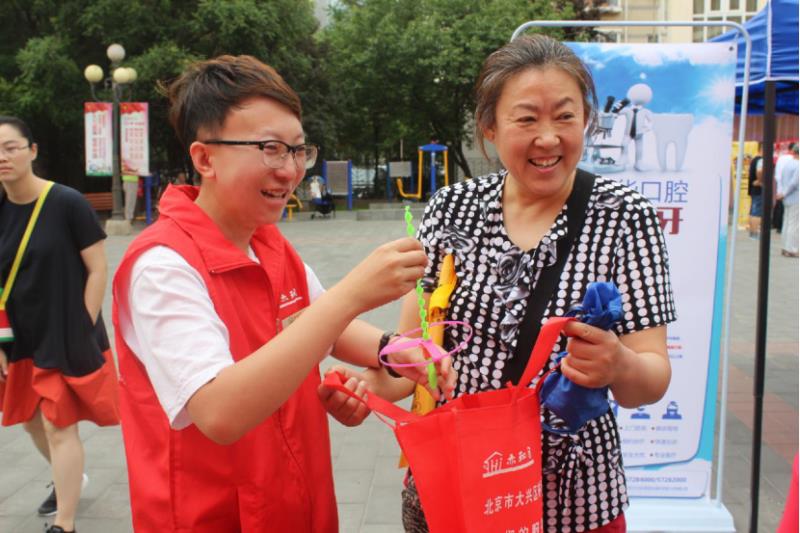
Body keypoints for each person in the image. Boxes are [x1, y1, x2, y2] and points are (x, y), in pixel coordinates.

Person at [322, 35, 676, 533]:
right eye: (526, 119)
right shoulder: (452, 209)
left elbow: (651, 381)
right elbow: (417, 361)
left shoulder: (625, 216)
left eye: (565, 116)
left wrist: (618, 363)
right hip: (458, 488)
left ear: (586, 120)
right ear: (490, 127)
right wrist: (366, 389)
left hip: (572, 503)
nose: (548, 138)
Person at [111, 55, 446, 532]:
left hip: (294, 500)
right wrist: (352, 293)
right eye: (270, 149)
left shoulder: (267, 241)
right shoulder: (162, 267)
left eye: (297, 150)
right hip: (213, 516)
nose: (289, 170)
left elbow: (325, 323)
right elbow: (220, 411)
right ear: (205, 158)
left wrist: (396, 351)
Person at [0, 116, 120, 533]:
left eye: (11, 147)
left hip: (64, 330)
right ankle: (69, 475)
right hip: (18, 336)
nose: (3, 157)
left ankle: (64, 524)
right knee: (30, 420)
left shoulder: (67, 203)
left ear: (32, 151)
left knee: (57, 423)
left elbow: (98, 269)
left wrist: (82, 326)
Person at [777, 143, 799, 257]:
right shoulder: (798, 165)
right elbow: (794, 183)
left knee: (786, 222)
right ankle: (792, 249)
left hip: (786, 198)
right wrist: (784, 193)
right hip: (795, 197)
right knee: (794, 224)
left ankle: (785, 246)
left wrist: (782, 193)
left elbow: (781, 179)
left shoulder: (788, 164)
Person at [747, 144, 763, 239]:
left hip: (753, 189)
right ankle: (755, 233)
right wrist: (760, 181)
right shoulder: (761, 160)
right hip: (758, 189)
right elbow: (760, 171)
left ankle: (752, 233)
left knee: (753, 211)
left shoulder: (753, 160)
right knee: (757, 212)